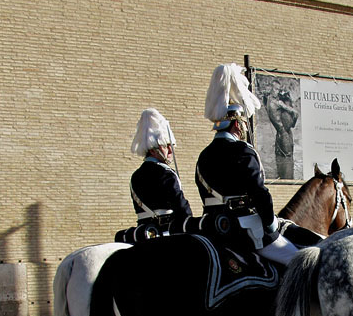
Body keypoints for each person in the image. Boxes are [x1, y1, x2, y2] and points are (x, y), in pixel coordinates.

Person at [196, 63, 298, 266]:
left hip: (212, 230)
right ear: (236, 123)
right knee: (299, 262)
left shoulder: (204, 155)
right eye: (243, 122)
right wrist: (270, 225)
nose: (244, 127)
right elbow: (259, 193)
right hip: (244, 231)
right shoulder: (243, 150)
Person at [119, 108, 193, 242]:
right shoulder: (166, 173)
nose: (171, 150)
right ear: (153, 150)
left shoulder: (135, 175)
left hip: (143, 234)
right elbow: (181, 206)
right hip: (167, 233)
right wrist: (190, 225)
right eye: (166, 146)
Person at [264, 83, 298, 180]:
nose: (278, 91)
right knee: (287, 160)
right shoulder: (277, 103)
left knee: (282, 159)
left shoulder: (268, 100)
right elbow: (295, 113)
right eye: (276, 89)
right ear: (271, 89)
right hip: (284, 133)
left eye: (279, 89)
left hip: (280, 134)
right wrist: (293, 123)